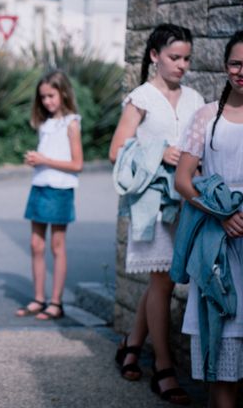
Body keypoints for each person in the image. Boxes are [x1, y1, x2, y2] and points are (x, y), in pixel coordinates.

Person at [109, 23, 204, 405]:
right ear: (154, 56)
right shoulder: (141, 98)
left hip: (188, 202)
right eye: (174, 57)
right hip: (152, 205)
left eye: (186, 59)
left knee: (160, 283)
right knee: (163, 283)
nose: (181, 65)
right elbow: (117, 150)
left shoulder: (196, 98)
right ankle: (163, 368)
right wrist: (158, 151)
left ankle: (131, 346)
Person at [174, 30, 243, 408]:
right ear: (224, 66)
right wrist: (224, 213)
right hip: (217, 243)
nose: (242, 71)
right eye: (236, 63)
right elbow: (184, 181)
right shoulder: (206, 116)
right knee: (223, 354)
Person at [16, 70, 83, 321]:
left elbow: (77, 164)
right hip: (40, 186)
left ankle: (56, 301)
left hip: (60, 190)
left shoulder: (71, 123)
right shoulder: (45, 123)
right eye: (43, 97)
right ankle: (38, 298)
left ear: (63, 92)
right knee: (35, 245)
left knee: (57, 246)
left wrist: (44, 159)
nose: (47, 101)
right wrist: (37, 161)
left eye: (51, 96)